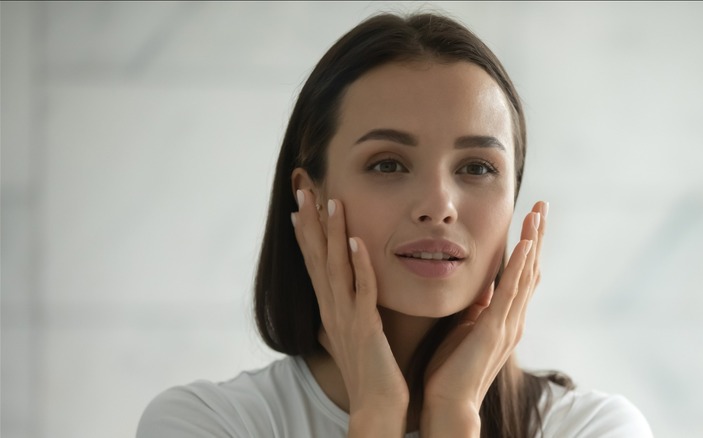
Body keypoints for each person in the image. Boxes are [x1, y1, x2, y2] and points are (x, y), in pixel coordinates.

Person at [137, 11, 653, 438]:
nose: (439, 206)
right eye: (388, 164)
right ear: (309, 196)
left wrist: (454, 416)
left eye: (477, 168)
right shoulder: (205, 424)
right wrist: (375, 417)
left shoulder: (593, 428)